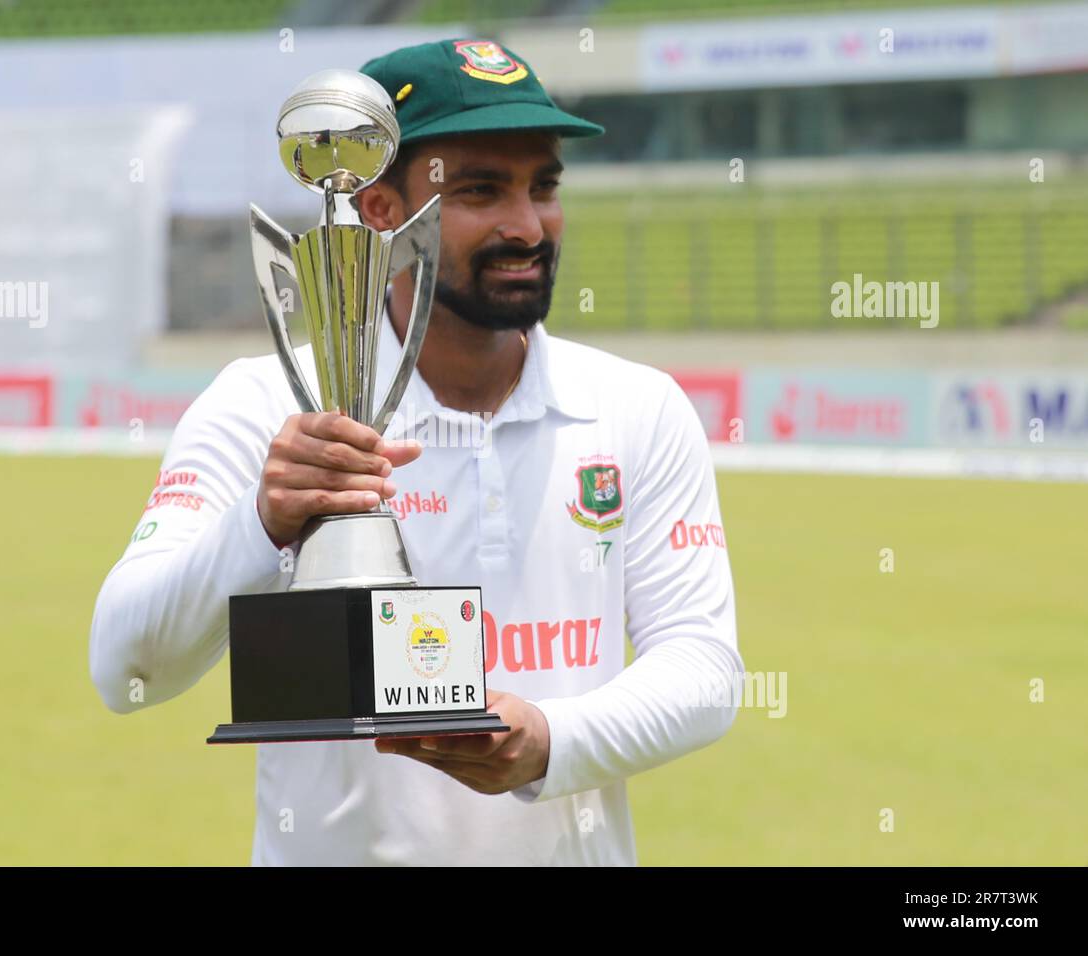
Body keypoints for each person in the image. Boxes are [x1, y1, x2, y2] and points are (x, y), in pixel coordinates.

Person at [89, 37, 743, 866]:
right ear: (378, 210)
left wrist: (551, 739)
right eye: (479, 190)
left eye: (543, 186)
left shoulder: (635, 408)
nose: (526, 224)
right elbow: (124, 668)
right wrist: (260, 525)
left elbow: (704, 669)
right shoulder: (260, 407)